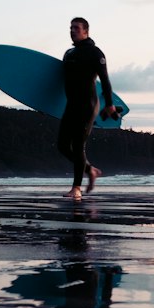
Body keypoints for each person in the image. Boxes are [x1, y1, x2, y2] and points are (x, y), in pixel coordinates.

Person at [58, 17, 119, 200]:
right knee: (62, 145)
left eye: (76, 28)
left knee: (78, 145)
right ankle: (90, 170)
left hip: (88, 105)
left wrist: (109, 105)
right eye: (71, 27)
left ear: (86, 31)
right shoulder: (69, 54)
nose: (72, 30)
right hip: (71, 104)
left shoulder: (95, 53)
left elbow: (105, 80)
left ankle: (76, 188)